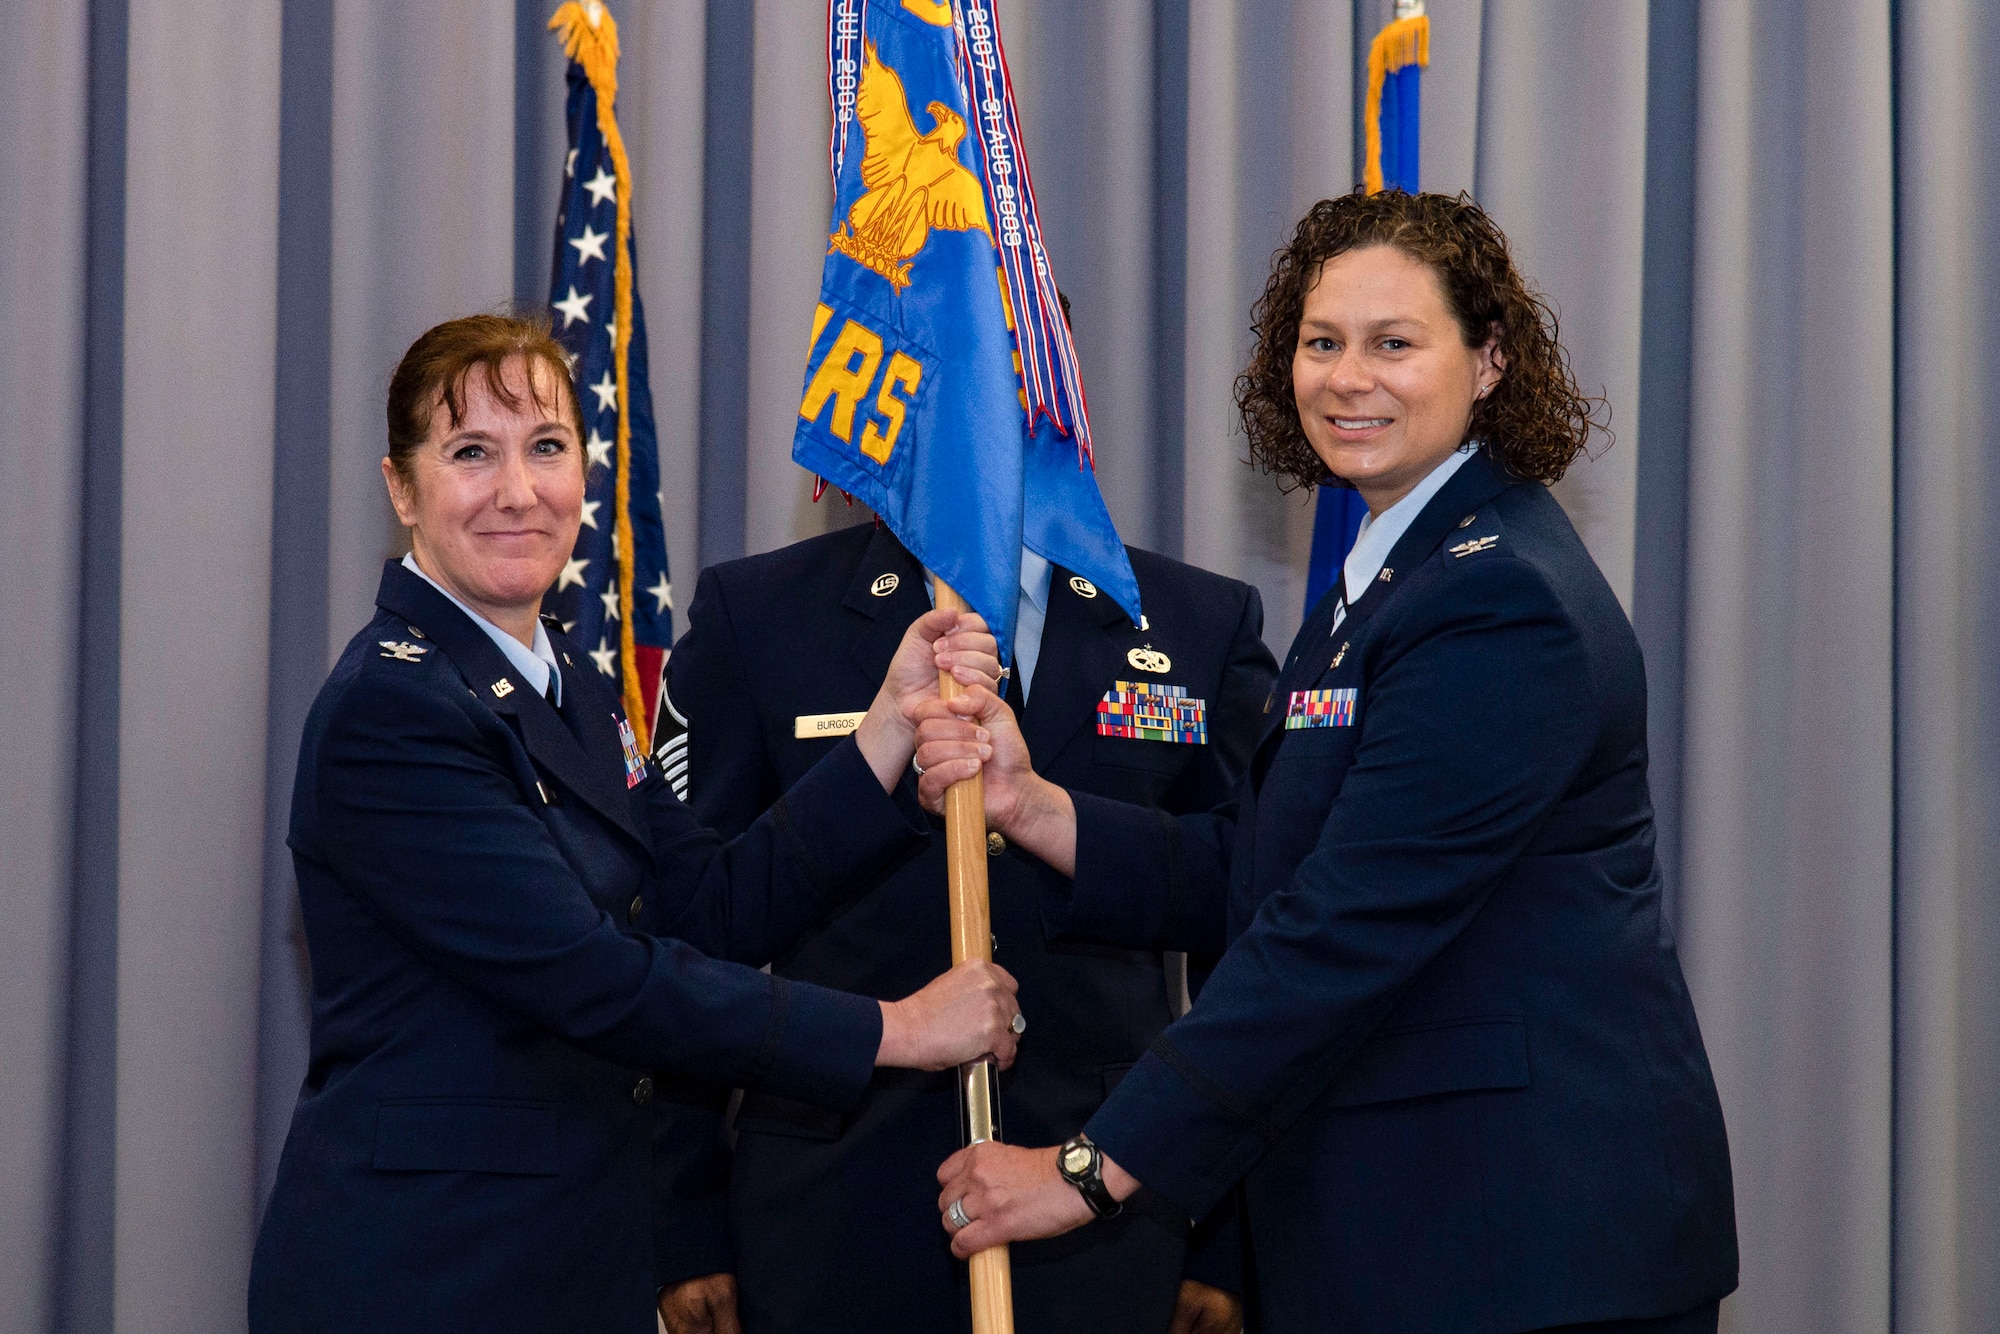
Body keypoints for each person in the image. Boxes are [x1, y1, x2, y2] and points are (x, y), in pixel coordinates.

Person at [913, 190, 1740, 1333]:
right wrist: (1037, 807)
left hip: (1519, 1247)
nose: (1348, 377)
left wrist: (1084, 1168)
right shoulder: (1394, 570)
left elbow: (1340, 925)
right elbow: (1271, 869)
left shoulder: (1496, 599)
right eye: (1321, 342)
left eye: (1393, 343)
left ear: (1488, 361)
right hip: (1427, 1235)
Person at [247, 314, 1025, 1334]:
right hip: (423, 1267)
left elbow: (704, 906)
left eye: (546, 448)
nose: (518, 491)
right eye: (470, 452)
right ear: (403, 487)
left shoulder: (571, 677)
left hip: (570, 1257)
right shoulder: (391, 710)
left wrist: (884, 732)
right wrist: (898, 1029)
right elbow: (598, 979)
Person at [651, 514, 1277, 1333]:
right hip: (827, 1212)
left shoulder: (1199, 617)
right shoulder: (758, 609)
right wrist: (685, 1220)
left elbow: (1250, 931)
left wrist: (1222, 1233)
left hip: (1111, 1219)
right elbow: (694, 935)